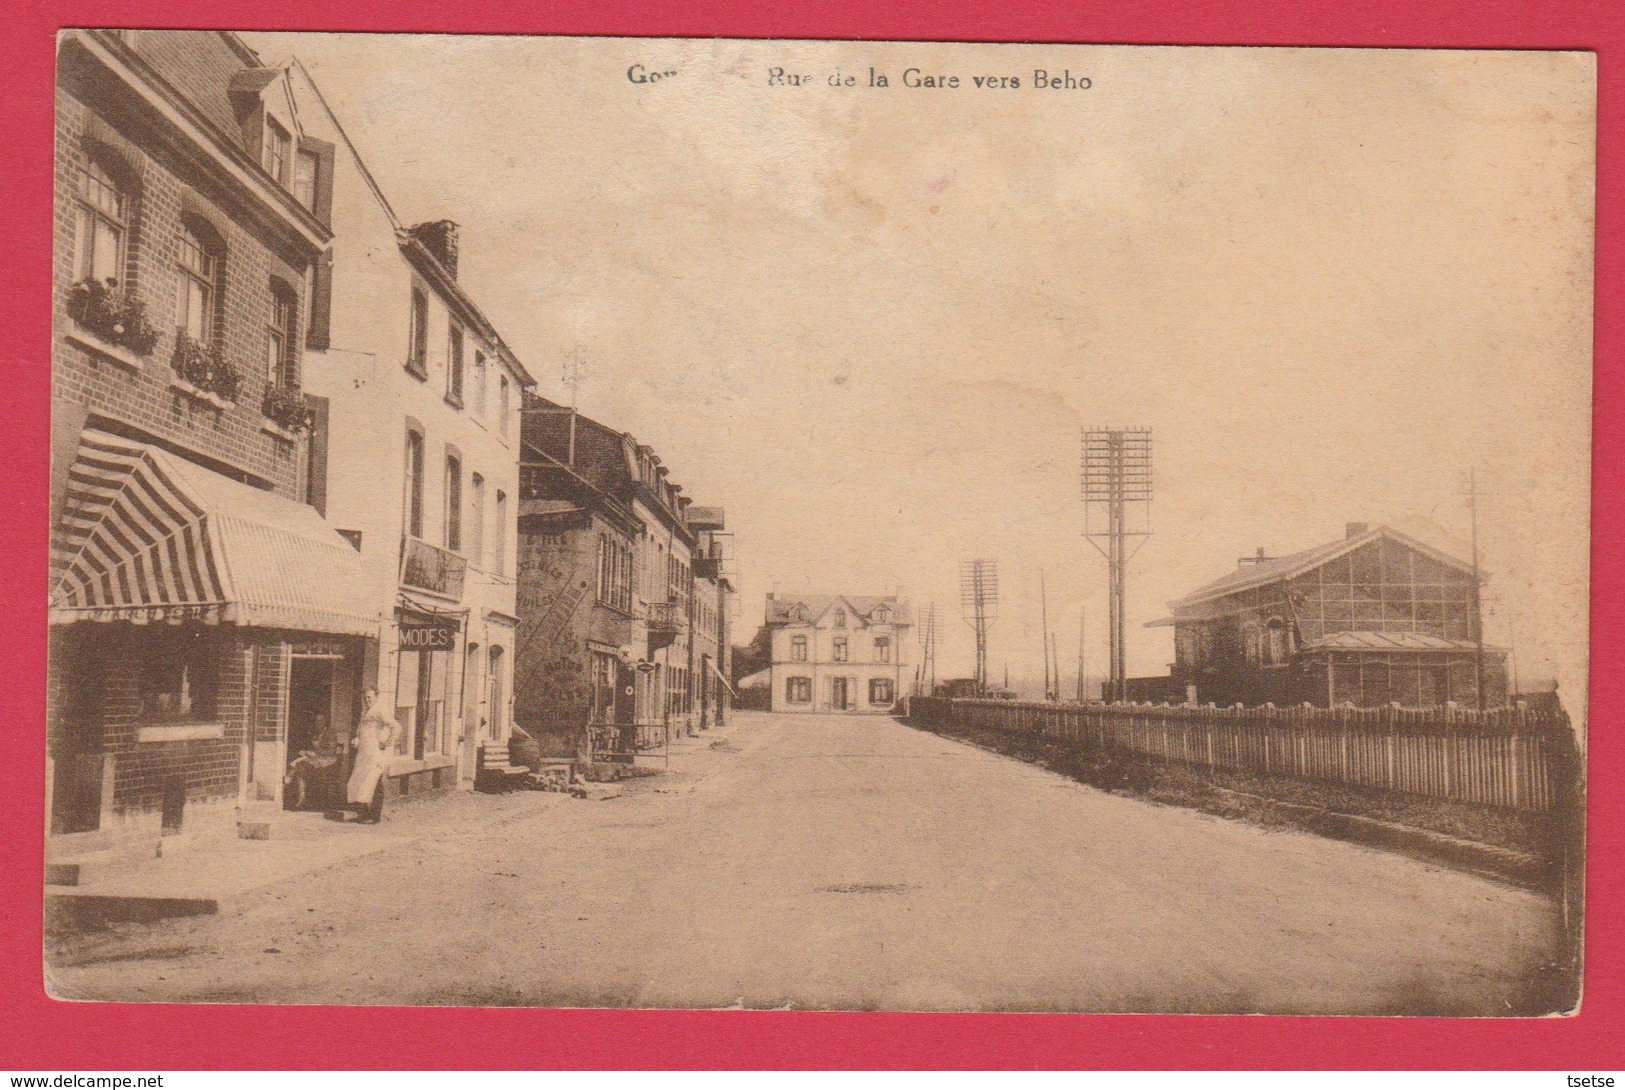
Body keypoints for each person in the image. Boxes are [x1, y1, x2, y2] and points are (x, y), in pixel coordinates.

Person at [346, 689, 399, 824]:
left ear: (376, 697)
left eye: (370, 697)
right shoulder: (366, 713)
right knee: (359, 781)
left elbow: (396, 727)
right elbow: (360, 732)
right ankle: (363, 815)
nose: (367, 700)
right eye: (365, 698)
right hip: (363, 753)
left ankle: (375, 817)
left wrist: (387, 743)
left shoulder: (380, 709)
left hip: (375, 752)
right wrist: (356, 739)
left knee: (374, 781)